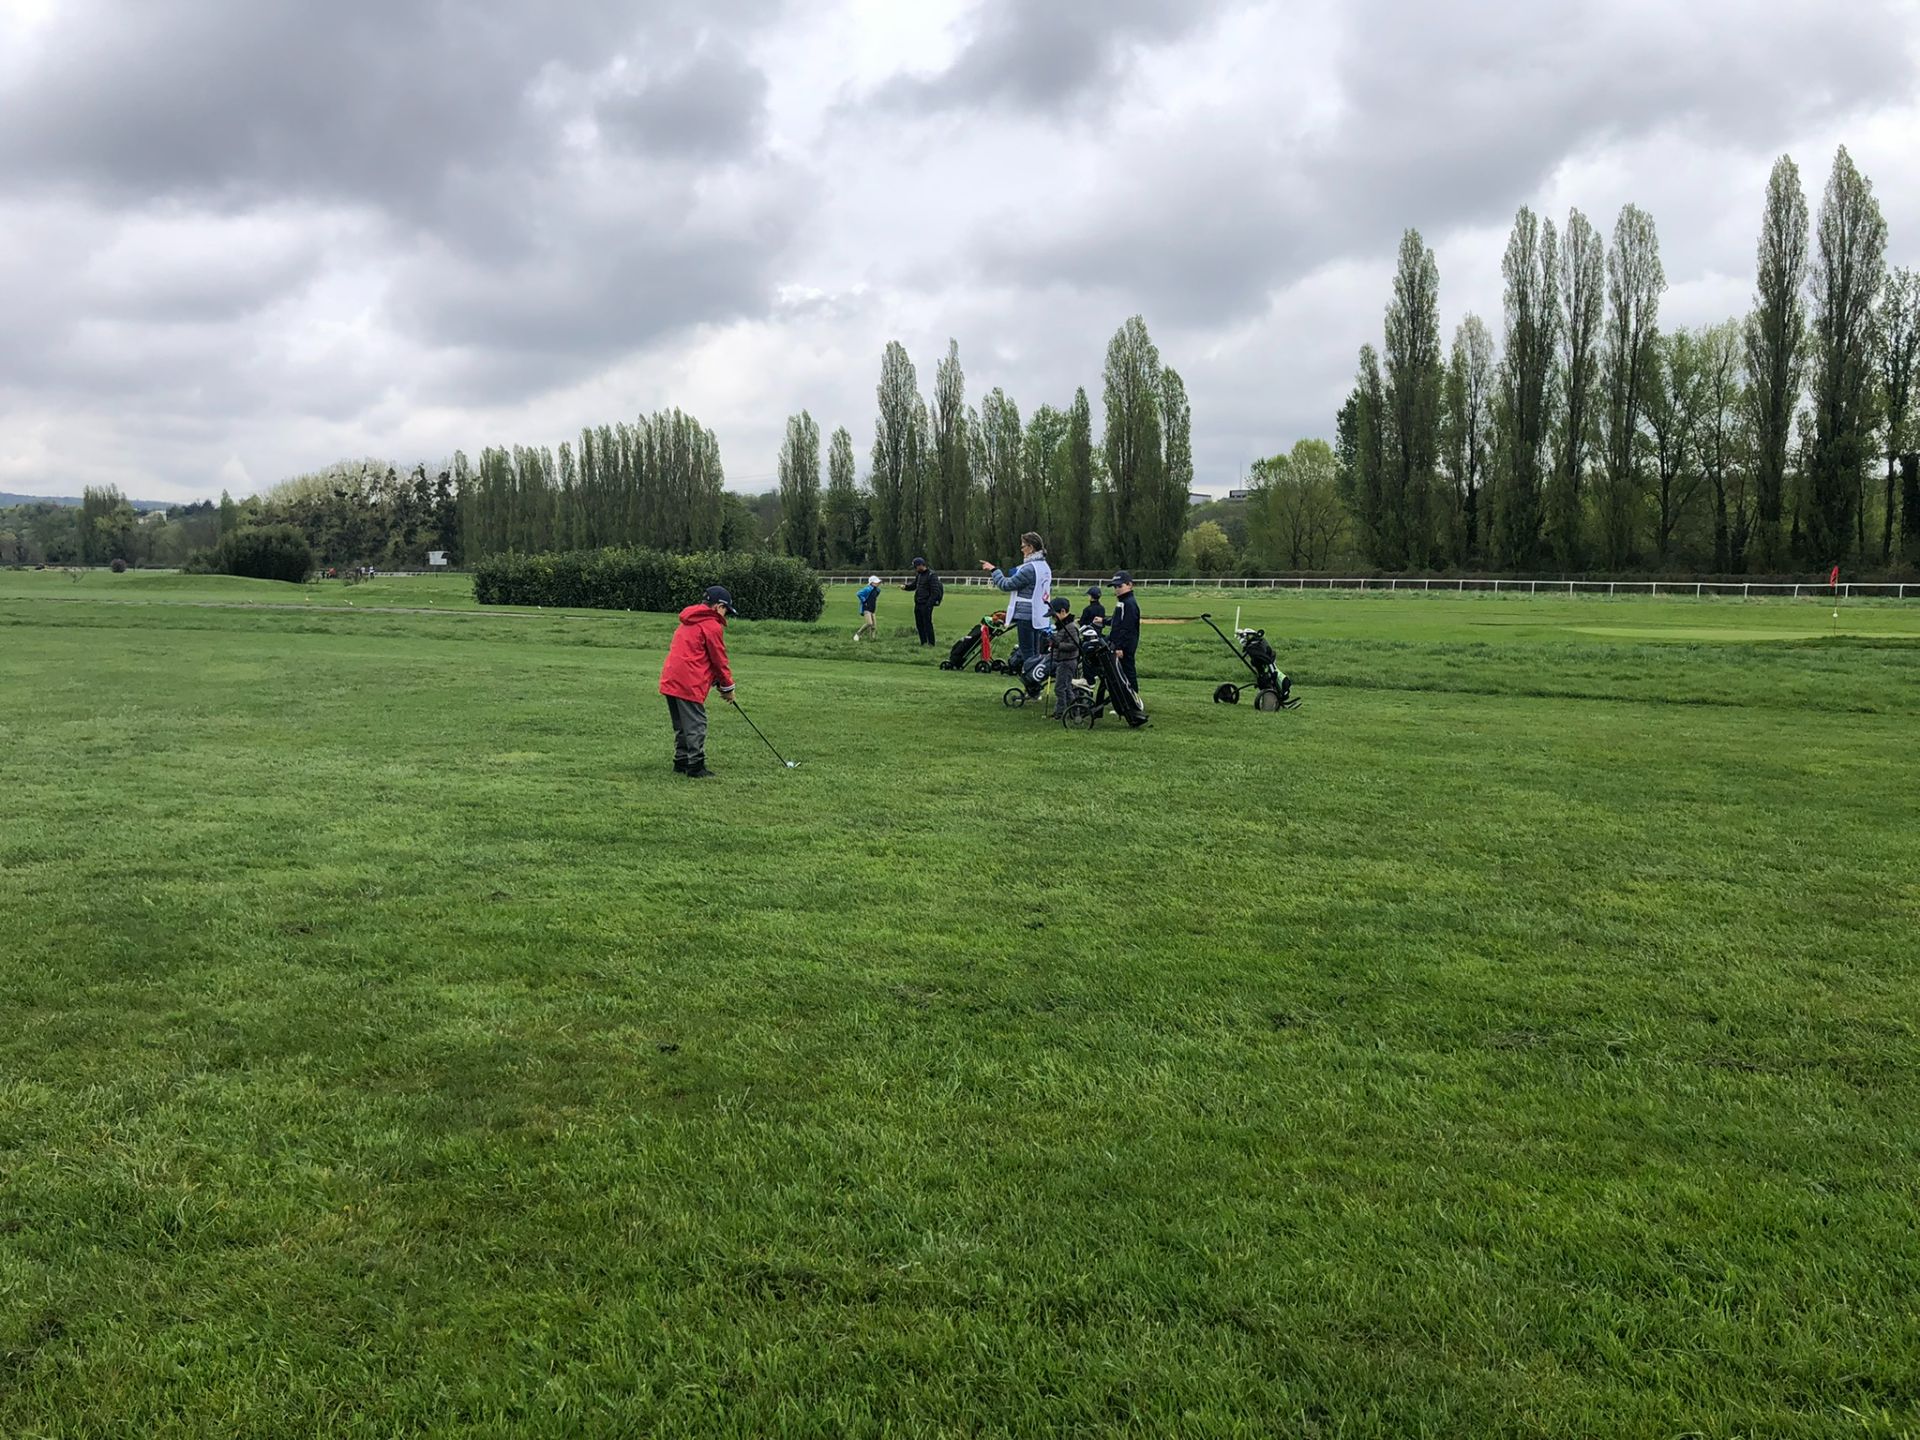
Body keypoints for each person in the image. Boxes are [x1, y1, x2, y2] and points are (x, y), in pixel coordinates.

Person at [658, 585, 738, 779]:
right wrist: (728, 687)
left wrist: (718, 683)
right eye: (726, 611)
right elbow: (719, 660)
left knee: (681, 723)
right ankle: (695, 766)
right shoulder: (712, 625)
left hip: (671, 678)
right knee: (696, 724)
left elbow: (699, 655)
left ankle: (681, 761)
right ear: (719, 606)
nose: (725, 616)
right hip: (689, 681)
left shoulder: (688, 620)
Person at [980, 532, 1053, 675]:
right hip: (1039, 615)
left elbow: (1006, 585)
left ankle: (1031, 681)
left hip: (1026, 616)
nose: (1022, 549)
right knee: (1035, 652)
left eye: (1023, 546)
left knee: (1028, 653)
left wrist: (994, 570)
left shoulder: (1029, 569)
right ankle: (1036, 679)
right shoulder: (1044, 567)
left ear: (1031, 548)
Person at [1046, 596, 1081, 718]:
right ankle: (1066, 711)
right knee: (1064, 687)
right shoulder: (1062, 626)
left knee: (1062, 688)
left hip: (1068, 661)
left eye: (1054, 616)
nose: (1053, 619)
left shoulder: (1070, 627)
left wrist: (1058, 645)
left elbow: (1074, 645)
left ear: (1062, 611)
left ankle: (1069, 711)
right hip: (1062, 661)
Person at [1107, 571, 1141, 695]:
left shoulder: (1129, 603)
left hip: (1126, 644)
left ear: (1129, 585)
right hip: (1121, 642)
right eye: (1115, 587)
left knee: (1127, 670)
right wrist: (1104, 621)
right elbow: (1117, 621)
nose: (1117, 589)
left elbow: (1127, 627)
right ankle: (1124, 696)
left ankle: (1133, 698)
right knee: (1120, 671)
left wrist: (1119, 646)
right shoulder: (1123, 601)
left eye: (1120, 586)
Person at [901, 557, 944, 646]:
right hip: (918, 603)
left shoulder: (931, 575)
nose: (915, 569)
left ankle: (931, 643)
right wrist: (906, 587)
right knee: (919, 624)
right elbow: (914, 586)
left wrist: (929, 604)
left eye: (915, 567)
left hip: (926, 604)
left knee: (927, 624)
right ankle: (923, 642)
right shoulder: (919, 575)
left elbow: (935, 592)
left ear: (921, 565)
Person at [854, 573, 881, 641]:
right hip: (866, 608)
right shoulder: (867, 589)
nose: (878, 583)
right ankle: (858, 634)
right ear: (871, 583)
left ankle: (872, 639)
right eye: (876, 582)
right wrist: (864, 601)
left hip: (873, 609)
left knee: (874, 626)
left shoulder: (877, 590)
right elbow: (859, 593)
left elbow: (875, 597)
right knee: (869, 623)